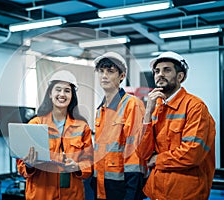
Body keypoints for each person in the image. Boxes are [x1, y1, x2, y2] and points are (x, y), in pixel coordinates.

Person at [137, 51, 216, 199]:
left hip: (185, 192)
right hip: (157, 191)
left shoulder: (195, 107)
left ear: (180, 77)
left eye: (167, 70)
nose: (160, 74)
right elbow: (143, 153)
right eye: (157, 71)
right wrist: (148, 112)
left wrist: (157, 159)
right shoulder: (155, 108)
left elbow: (192, 154)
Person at [16, 70, 93, 200]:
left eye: (67, 90)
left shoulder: (82, 127)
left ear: (72, 96)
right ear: (50, 94)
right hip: (41, 195)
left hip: (72, 195)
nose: (62, 94)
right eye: (58, 89)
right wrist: (29, 164)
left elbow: (89, 162)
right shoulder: (35, 124)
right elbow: (21, 166)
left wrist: (77, 167)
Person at [91, 52, 147, 200]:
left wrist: (131, 193)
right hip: (101, 186)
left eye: (110, 71)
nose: (104, 76)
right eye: (101, 71)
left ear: (122, 76)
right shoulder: (100, 110)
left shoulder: (132, 105)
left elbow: (135, 152)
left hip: (122, 187)